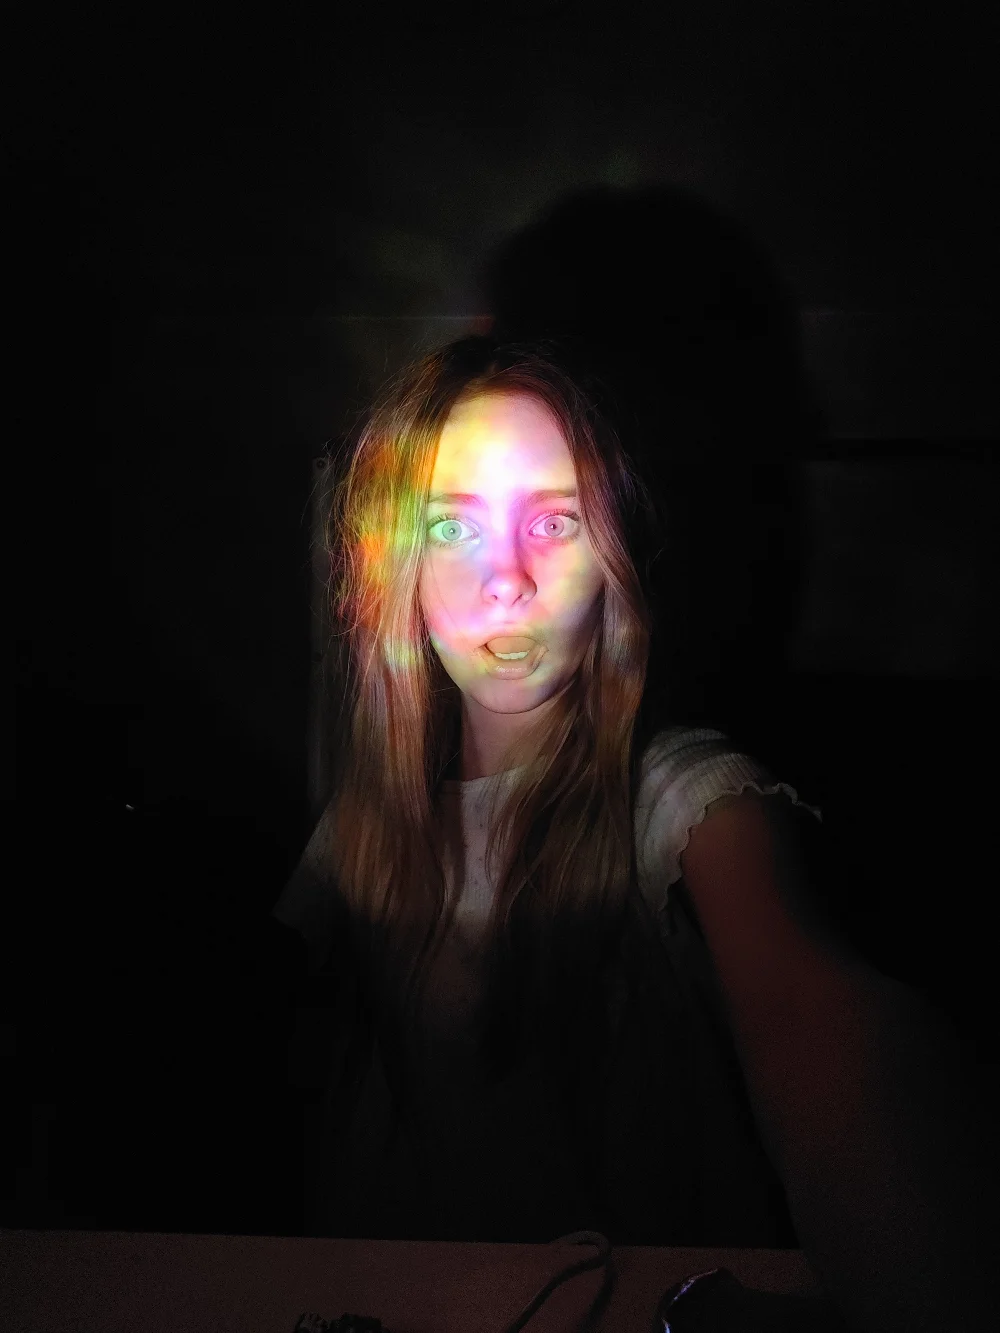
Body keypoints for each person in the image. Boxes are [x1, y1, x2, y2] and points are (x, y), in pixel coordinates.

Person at [274, 335, 995, 1332]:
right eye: (451, 524)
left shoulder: (682, 800)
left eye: (555, 520)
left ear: (612, 558)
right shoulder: (360, 826)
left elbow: (814, 1016)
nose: (508, 579)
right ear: (397, 566)